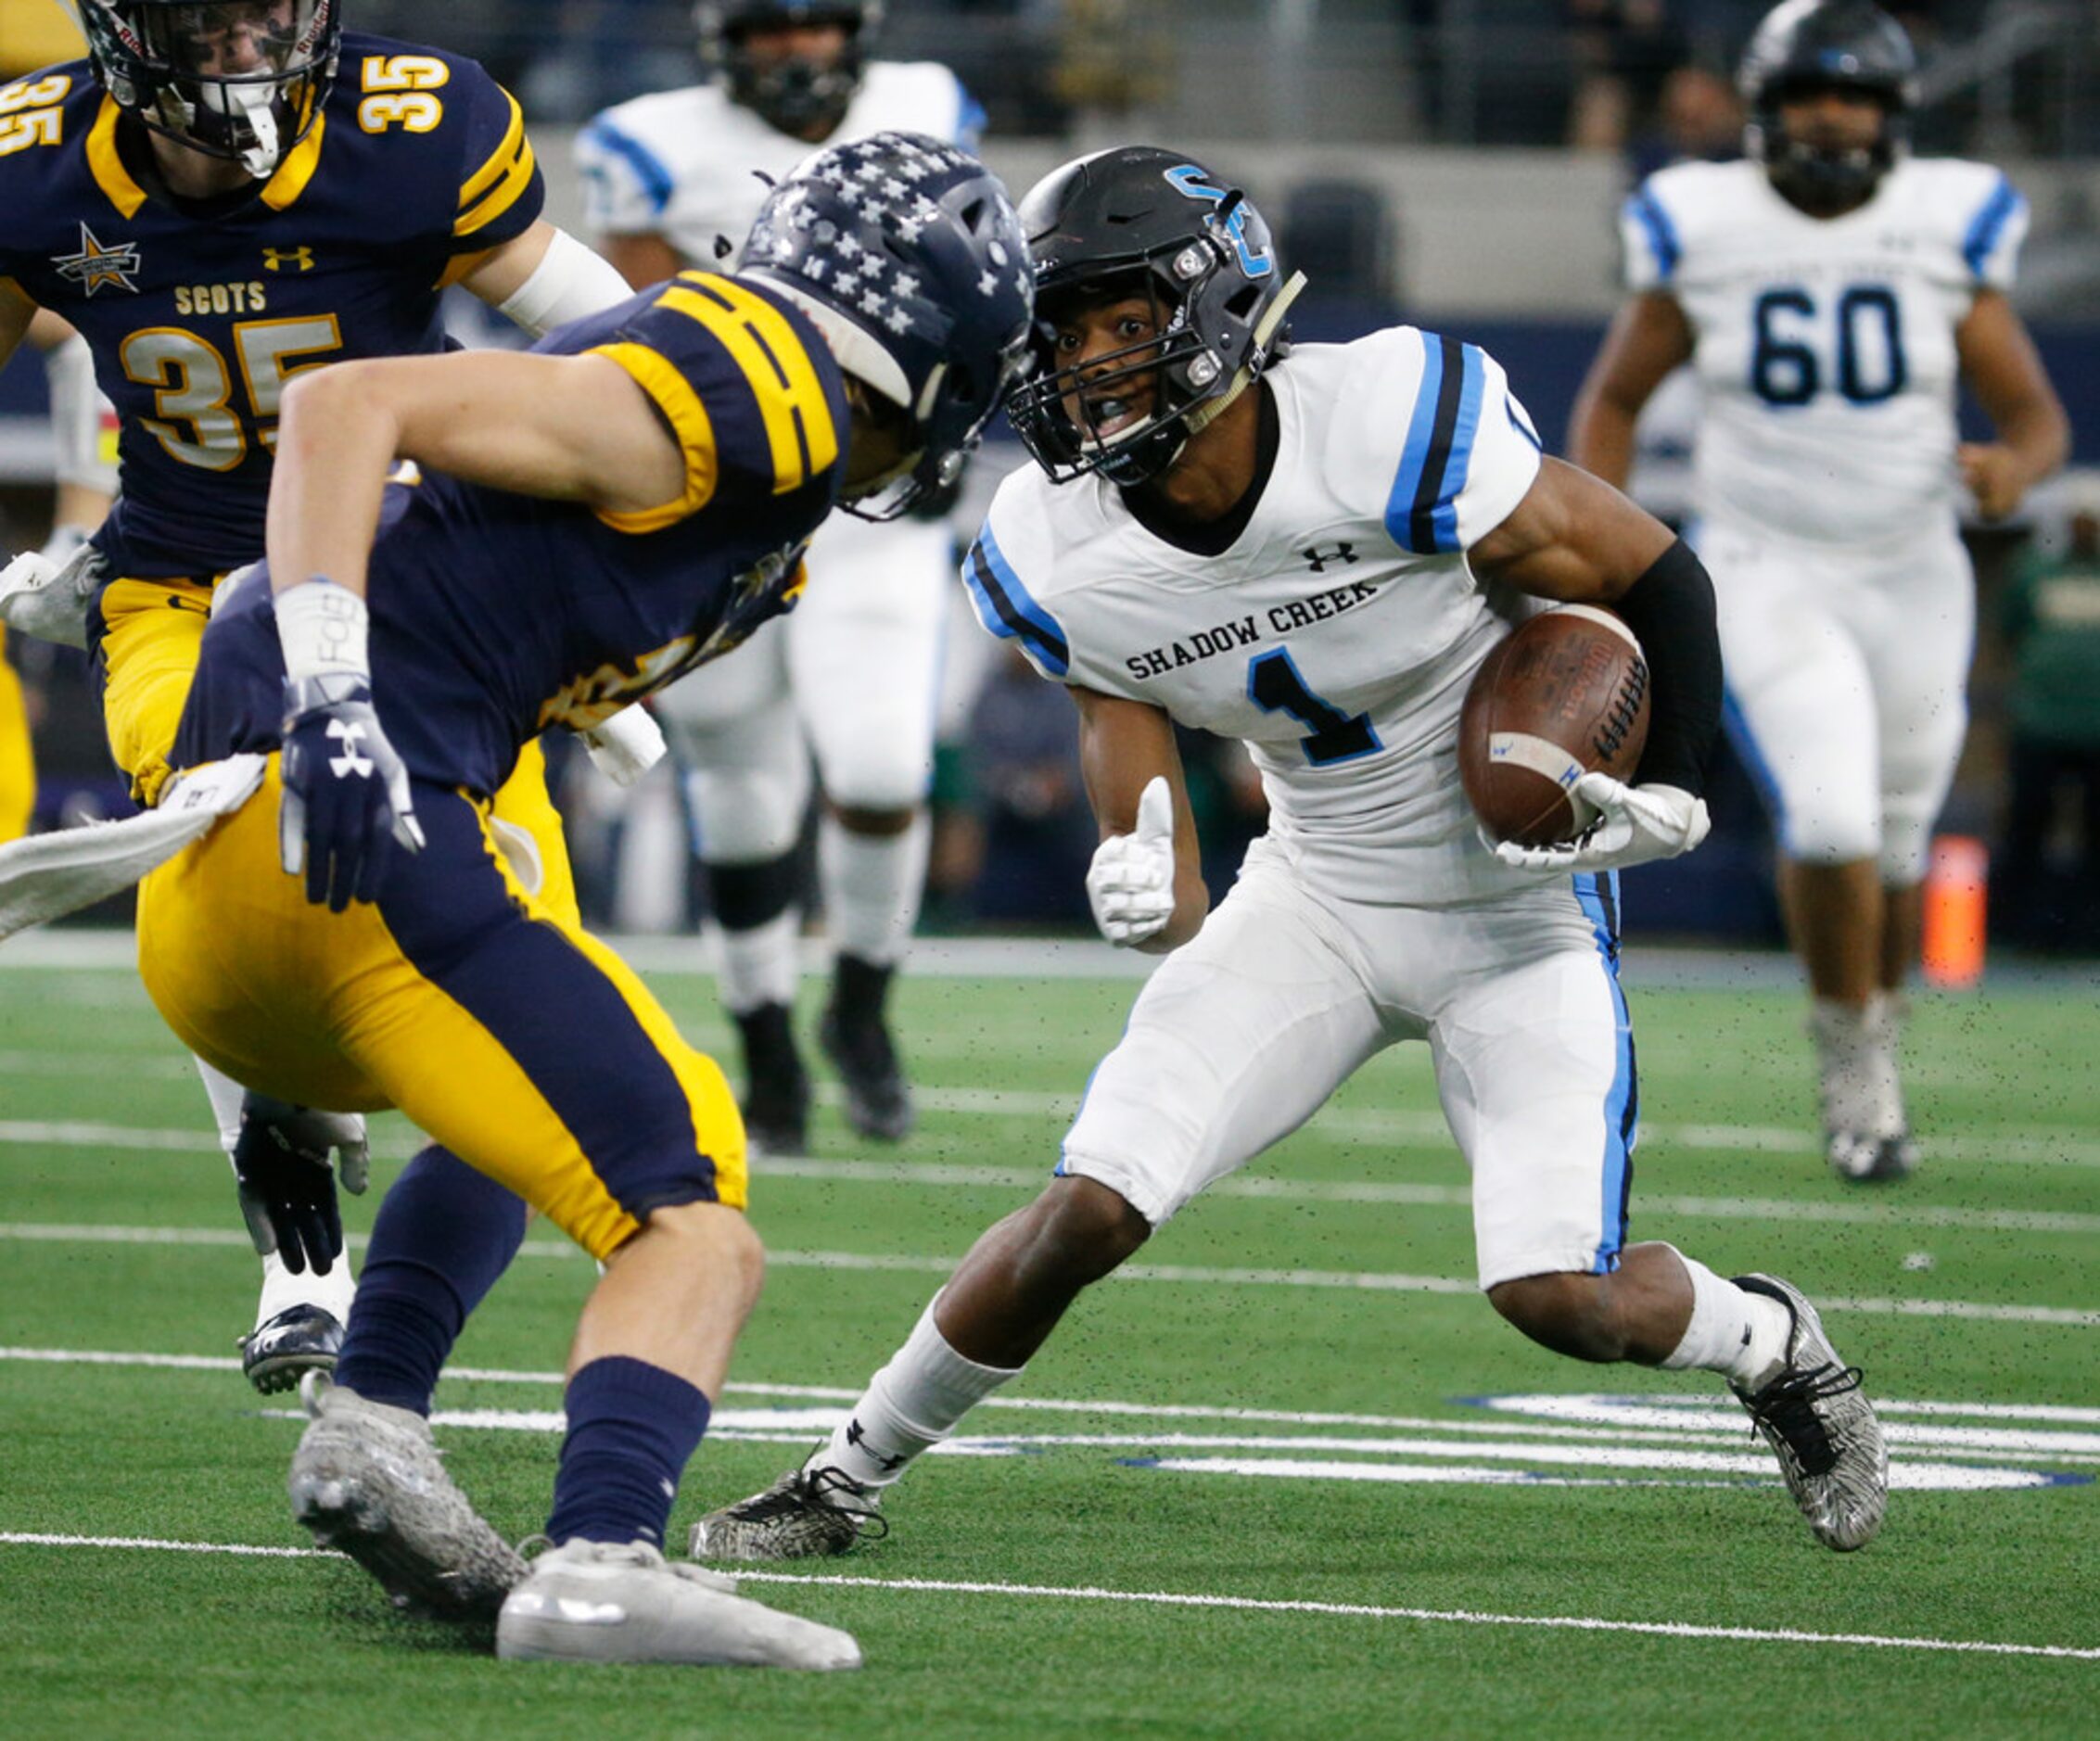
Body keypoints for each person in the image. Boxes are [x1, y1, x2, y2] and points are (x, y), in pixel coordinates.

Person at [690, 146, 1890, 1567]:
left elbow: (1648, 564)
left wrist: (1680, 783)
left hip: (1517, 915)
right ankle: (845, 1475)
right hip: (1313, 891)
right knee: (1090, 1201)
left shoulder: (1383, 420)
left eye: (1116, 320)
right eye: (1061, 329)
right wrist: (1138, 869)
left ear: (1210, 301)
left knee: (1559, 1297)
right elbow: (1131, 750)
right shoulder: (1052, 543)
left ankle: (1774, 1343)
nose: (1083, 362)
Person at [7, 130, 1029, 1663]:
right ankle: (607, 1549)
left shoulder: (769, 482)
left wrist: (525, 690)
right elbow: (352, 408)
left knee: (547, 1103)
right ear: (929, 342)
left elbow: (447, 522)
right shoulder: (746, 382)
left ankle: (372, 1423)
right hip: (349, 839)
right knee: (692, 1208)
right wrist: (341, 692)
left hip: (239, 911)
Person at [0, 0, 647, 1389]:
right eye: (205, 21)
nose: (242, 51)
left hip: (413, 594)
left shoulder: (411, 128)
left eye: (267, 15)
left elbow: (610, 329)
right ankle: (297, 1253)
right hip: (177, 587)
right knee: (218, 822)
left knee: (515, 970)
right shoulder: (35, 160)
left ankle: (395, 1378)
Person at [1567, 0, 2069, 1184]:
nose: (1830, 116)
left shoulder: (1946, 221)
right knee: (1832, 815)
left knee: (1894, 850)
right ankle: (1851, 1059)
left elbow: (2035, 414)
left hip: (1915, 570)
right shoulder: (1704, 222)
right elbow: (1617, 397)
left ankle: (1874, 1027)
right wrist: (1601, 546)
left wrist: (2018, 466)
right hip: (1764, 562)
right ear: (1764, 110)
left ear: (1894, 116)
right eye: (1807, 95)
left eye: (1853, 96)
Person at [575, 0, 987, 1150]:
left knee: (880, 766)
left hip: (872, 505)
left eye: (815, 26)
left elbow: (977, 286)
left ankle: (860, 1011)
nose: (797, 51)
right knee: (744, 793)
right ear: (726, 40)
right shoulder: (650, 141)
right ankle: (765, 1042)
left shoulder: (929, 105)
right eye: (770, 29)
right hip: (733, 503)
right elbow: (636, 331)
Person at [1995, 492, 2100, 952]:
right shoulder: (2035, 569)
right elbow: (2010, 633)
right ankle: (2015, 930)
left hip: (2095, 729)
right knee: (2026, 827)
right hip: (2040, 723)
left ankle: (2088, 934)